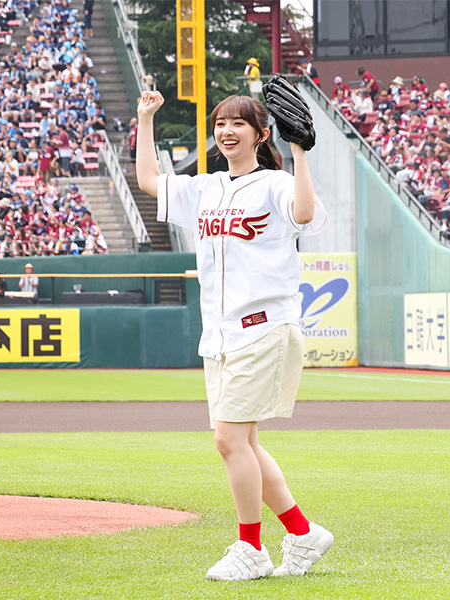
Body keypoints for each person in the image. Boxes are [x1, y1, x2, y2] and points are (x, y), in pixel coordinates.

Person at [135, 90, 333, 580]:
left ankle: (251, 548)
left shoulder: (276, 182)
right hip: (220, 335)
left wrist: (301, 151)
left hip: (264, 327)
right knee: (243, 442)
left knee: (228, 441)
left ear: (261, 134)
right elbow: (147, 180)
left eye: (238, 123)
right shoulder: (205, 188)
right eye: (221, 122)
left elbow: (305, 214)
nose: (227, 130)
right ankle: (304, 533)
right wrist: (144, 120)